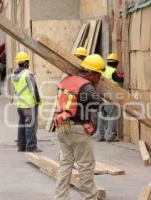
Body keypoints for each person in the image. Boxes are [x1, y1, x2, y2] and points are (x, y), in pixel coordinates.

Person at [54, 54, 104, 200]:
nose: (99, 79)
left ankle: (60, 198)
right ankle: (89, 198)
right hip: (77, 130)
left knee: (65, 165)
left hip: (62, 127)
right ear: (91, 73)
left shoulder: (66, 80)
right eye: (98, 75)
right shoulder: (86, 86)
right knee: (86, 167)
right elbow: (99, 105)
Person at [11, 52, 42, 152]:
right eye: (28, 62)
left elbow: (16, 90)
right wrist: (37, 101)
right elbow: (34, 89)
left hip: (20, 105)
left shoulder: (14, 75)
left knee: (22, 126)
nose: (29, 64)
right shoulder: (28, 74)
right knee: (30, 126)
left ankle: (21, 146)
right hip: (29, 105)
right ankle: (31, 147)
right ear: (25, 63)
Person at [94, 53, 124, 142]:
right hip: (110, 99)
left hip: (100, 98)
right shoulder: (114, 72)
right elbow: (121, 79)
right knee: (112, 117)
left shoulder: (103, 70)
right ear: (116, 63)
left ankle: (99, 136)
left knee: (101, 117)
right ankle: (110, 136)